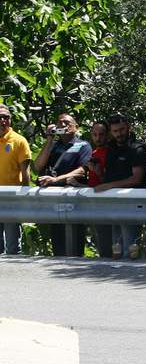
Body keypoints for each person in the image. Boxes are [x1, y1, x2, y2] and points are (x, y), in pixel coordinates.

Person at [34, 113, 92, 256]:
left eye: (67, 122)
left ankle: (76, 261)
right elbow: (38, 166)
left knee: (75, 235)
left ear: (76, 127)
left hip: (73, 198)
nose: (63, 126)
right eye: (60, 123)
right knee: (58, 237)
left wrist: (56, 179)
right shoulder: (53, 145)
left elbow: (83, 170)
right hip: (54, 198)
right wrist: (49, 139)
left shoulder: (83, 145)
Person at [96, 113, 146, 259]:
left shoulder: (137, 148)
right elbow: (110, 176)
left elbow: (137, 178)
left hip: (132, 204)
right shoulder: (111, 148)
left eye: (122, 130)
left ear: (128, 127)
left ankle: (132, 273)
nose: (119, 134)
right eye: (115, 131)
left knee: (130, 249)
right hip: (114, 203)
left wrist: (109, 186)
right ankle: (118, 275)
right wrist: (100, 174)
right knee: (117, 248)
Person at [0, 104, 31, 255]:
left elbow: (26, 174)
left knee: (12, 246)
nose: (3, 120)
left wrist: (24, 198)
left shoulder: (19, 141)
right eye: (0, 117)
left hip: (11, 199)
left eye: (6, 117)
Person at [85, 121, 113, 258]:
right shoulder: (94, 152)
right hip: (94, 201)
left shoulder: (111, 153)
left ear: (107, 135)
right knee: (101, 239)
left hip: (107, 202)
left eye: (101, 134)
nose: (98, 138)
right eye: (95, 135)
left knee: (107, 240)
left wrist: (99, 172)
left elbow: (109, 182)